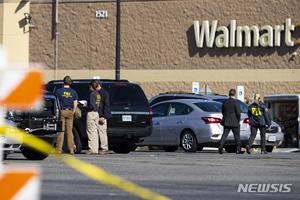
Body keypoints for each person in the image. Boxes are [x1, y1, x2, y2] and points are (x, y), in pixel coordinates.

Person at [52, 76, 78, 155]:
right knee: (69, 131)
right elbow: (75, 104)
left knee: (61, 130)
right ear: (70, 83)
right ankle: (71, 149)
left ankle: (59, 149)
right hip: (69, 111)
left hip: (61, 111)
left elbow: (55, 103)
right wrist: (72, 112)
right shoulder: (73, 92)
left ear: (63, 82)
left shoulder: (59, 91)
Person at [219, 89, 242, 154]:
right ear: (235, 94)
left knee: (224, 135)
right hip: (235, 122)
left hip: (227, 121)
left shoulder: (225, 102)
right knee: (237, 136)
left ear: (229, 94)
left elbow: (223, 111)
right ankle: (238, 150)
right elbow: (238, 113)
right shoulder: (236, 102)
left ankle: (220, 145)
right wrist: (238, 120)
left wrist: (225, 118)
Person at [85, 80, 101, 154]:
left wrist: (85, 106)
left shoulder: (92, 94)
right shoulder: (98, 94)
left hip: (91, 113)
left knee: (90, 131)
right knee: (95, 131)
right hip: (96, 113)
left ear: (91, 86)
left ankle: (92, 149)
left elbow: (91, 105)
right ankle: (96, 149)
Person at [96, 80, 112, 155]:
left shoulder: (104, 93)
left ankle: (104, 148)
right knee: (96, 133)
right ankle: (97, 147)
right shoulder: (95, 93)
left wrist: (103, 116)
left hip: (102, 116)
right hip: (96, 115)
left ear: (99, 86)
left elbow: (106, 106)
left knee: (102, 132)